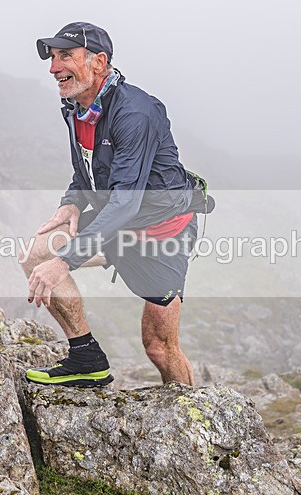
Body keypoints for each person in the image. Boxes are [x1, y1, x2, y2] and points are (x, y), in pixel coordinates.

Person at [20, 22, 198, 388]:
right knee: (36, 255)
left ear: (99, 62)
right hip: (115, 222)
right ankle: (86, 358)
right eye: (52, 58)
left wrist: (65, 262)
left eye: (65, 56)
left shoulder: (136, 113)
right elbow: (86, 167)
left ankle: (189, 413)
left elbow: (126, 203)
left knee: (159, 347)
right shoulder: (76, 108)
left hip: (161, 233)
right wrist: (73, 201)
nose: (54, 68)